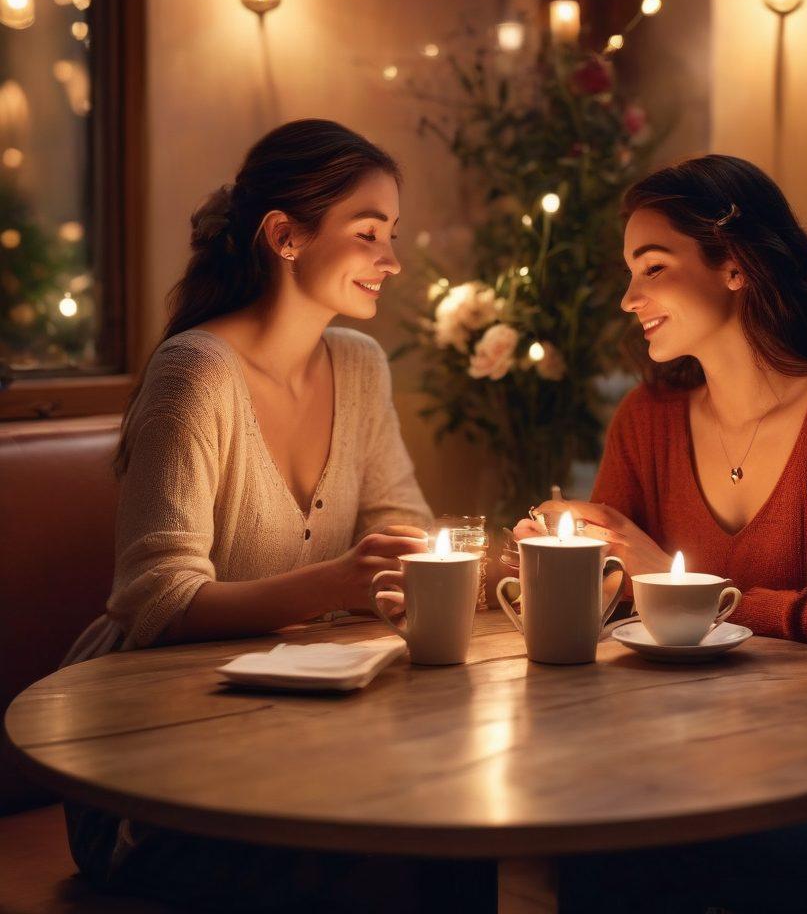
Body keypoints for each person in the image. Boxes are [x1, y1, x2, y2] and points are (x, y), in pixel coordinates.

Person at [62, 119, 492, 911]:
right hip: (149, 764)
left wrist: (450, 570)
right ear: (285, 237)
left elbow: (403, 526)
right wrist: (337, 580)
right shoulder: (196, 373)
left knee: (458, 826)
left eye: (391, 234)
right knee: (379, 858)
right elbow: (152, 601)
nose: (391, 260)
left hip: (300, 733)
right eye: (368, 233)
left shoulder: (359, 368)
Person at [517, 155, 807, 913]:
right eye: (629, 271)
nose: (629, 297)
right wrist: (564, 562)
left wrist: (680, 586)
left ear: (734, 266)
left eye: (653, 267)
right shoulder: (647, 420)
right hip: (698, 765)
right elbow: (612, 614)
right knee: (583, 844)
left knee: (657, 862)